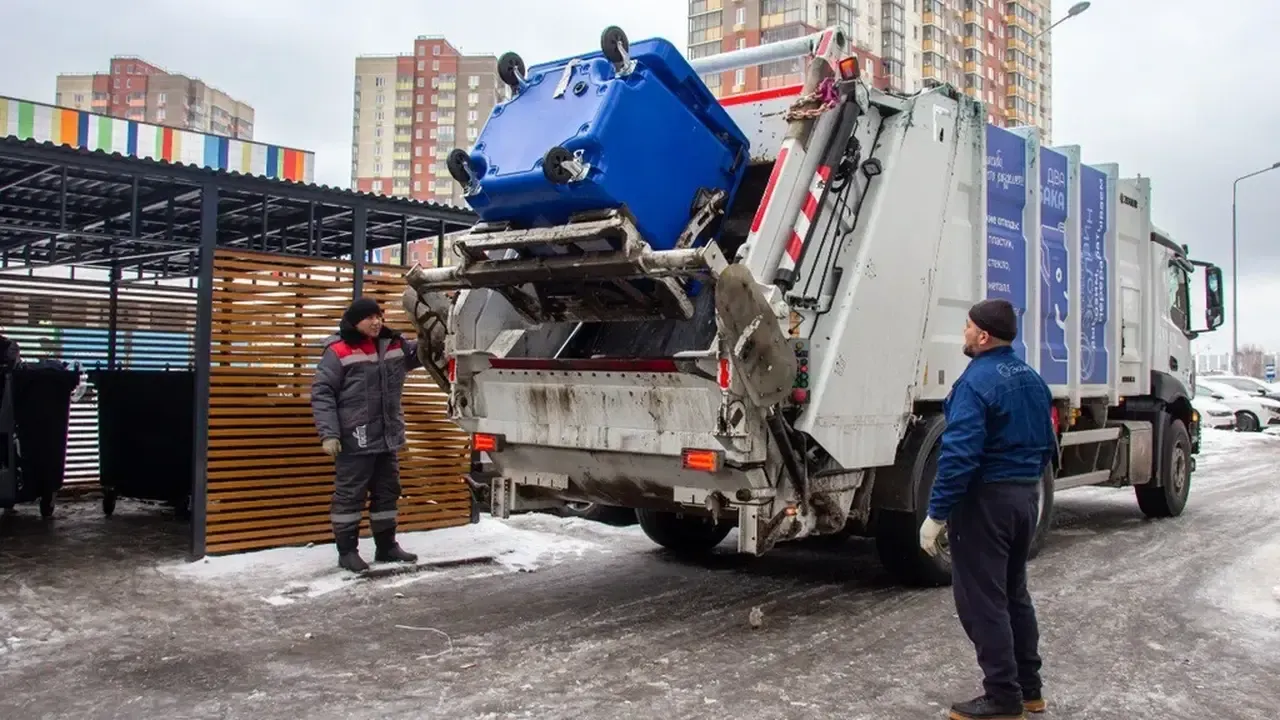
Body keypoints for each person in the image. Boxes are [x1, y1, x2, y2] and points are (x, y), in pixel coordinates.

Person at [919, 298, 1057, 720]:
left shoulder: (976, 382)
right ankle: (1029, 690)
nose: (963, 332)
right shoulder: (1033, 379)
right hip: (1024, 499)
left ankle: (1002, 697)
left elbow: (959, 455)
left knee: (983, 603)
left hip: (985, 506)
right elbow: (1050, 443)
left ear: (982, 335)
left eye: (967, 327)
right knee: (1014, 594)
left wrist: (937, 514)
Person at [311, 297, 422, 572]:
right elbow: (322, 393)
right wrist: (329, 435)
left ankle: (386, 546)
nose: (376, 322)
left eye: (379, 316)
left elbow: (424, 353)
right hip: (355, 438)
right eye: (370, 317)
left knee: (387, 493)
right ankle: (347, 551)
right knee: (350, 496)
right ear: (354, 321)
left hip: (387, 436)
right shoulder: (338, 350)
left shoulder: (394, 344)